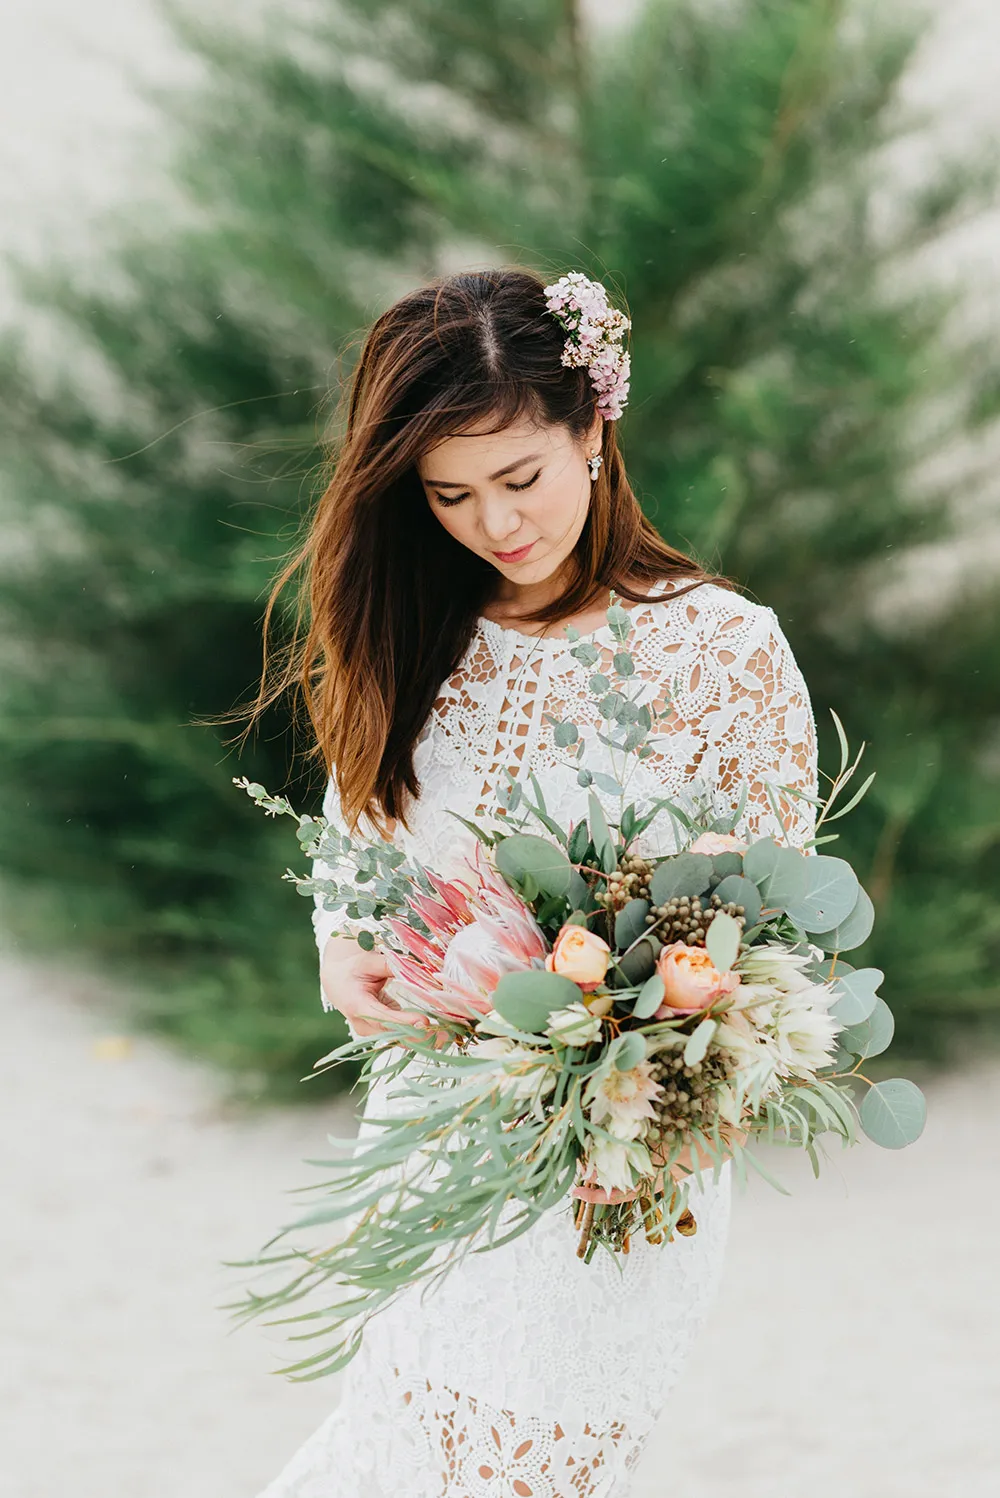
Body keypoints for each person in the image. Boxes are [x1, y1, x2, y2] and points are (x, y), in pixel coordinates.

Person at [253, 267, 818, 1497]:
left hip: (619, 1154)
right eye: (449, 494)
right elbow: (361, 828)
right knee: (394, 1454)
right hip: (430, 1133)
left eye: (520, 478)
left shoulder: (720, 649)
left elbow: (778, 931)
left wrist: (664, 1094)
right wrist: (340, 940)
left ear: (593, 425)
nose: (495, 524)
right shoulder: (416, 625)